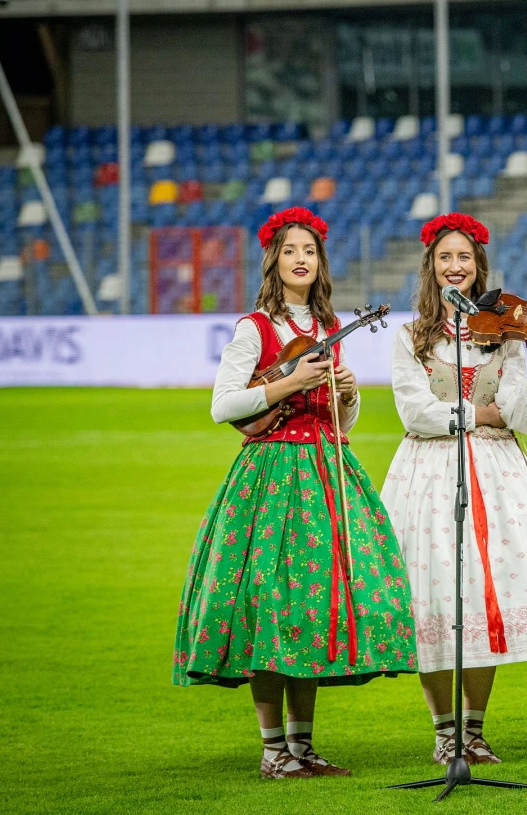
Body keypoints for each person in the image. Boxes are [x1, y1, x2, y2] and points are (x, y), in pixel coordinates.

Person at [173, 206, 418, 779]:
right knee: (270, 608)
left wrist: (348, 393)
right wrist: (289, 382)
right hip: (271, 476)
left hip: (327, 474)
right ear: (273, 261)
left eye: (309, 250)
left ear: (320, 262)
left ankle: (302, 747)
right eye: (290, 250)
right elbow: (223, 406)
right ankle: (272, 750)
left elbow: (342, 422)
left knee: (310, 607)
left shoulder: (329, 328)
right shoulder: (254, 328)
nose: (300, 259)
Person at [379, 212, 527, 766]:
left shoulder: (504, 336)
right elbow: (415, 412)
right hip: (428, 473)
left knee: (482, 596)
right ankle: (444, 732)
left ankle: (473, 732)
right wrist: (481, 414)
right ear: (431, 267)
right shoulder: (410, 336)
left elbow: (524, 416)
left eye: (465, 258)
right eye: (445, 257)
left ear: (479, 268)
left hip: (498, 473)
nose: (455, 266)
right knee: (434, 597)